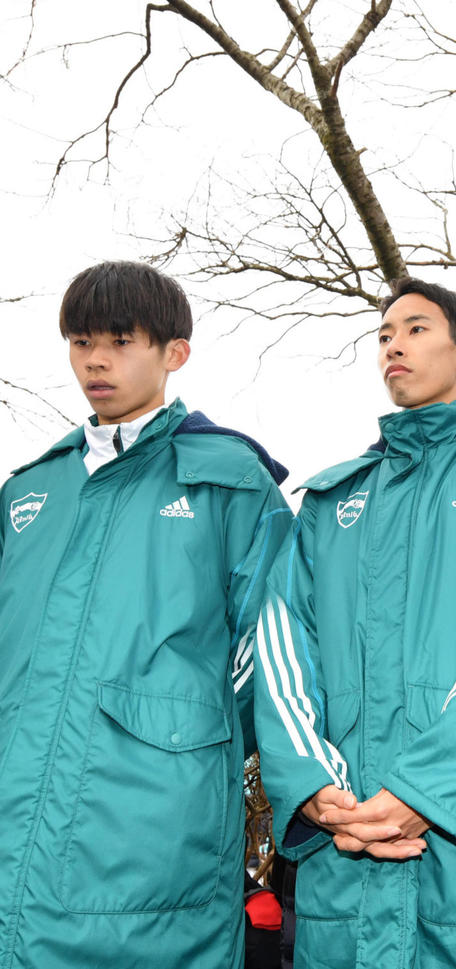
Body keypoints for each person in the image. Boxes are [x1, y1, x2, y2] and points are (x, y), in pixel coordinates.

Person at [252, 277, 456, 968]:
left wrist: (426, 792)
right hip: (347, 851)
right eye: (382, 335)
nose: (392, 345)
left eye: (414, 328)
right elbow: (283, 645)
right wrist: (312, 786)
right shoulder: (330, 500)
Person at [0, 261, 291, 967]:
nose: (95, 360)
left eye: (120, 340)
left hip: (155, 829)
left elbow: (278, 653)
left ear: (174, 353)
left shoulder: (230, 479)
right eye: (79, 340)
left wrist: (179, 741)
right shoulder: (29, 492)